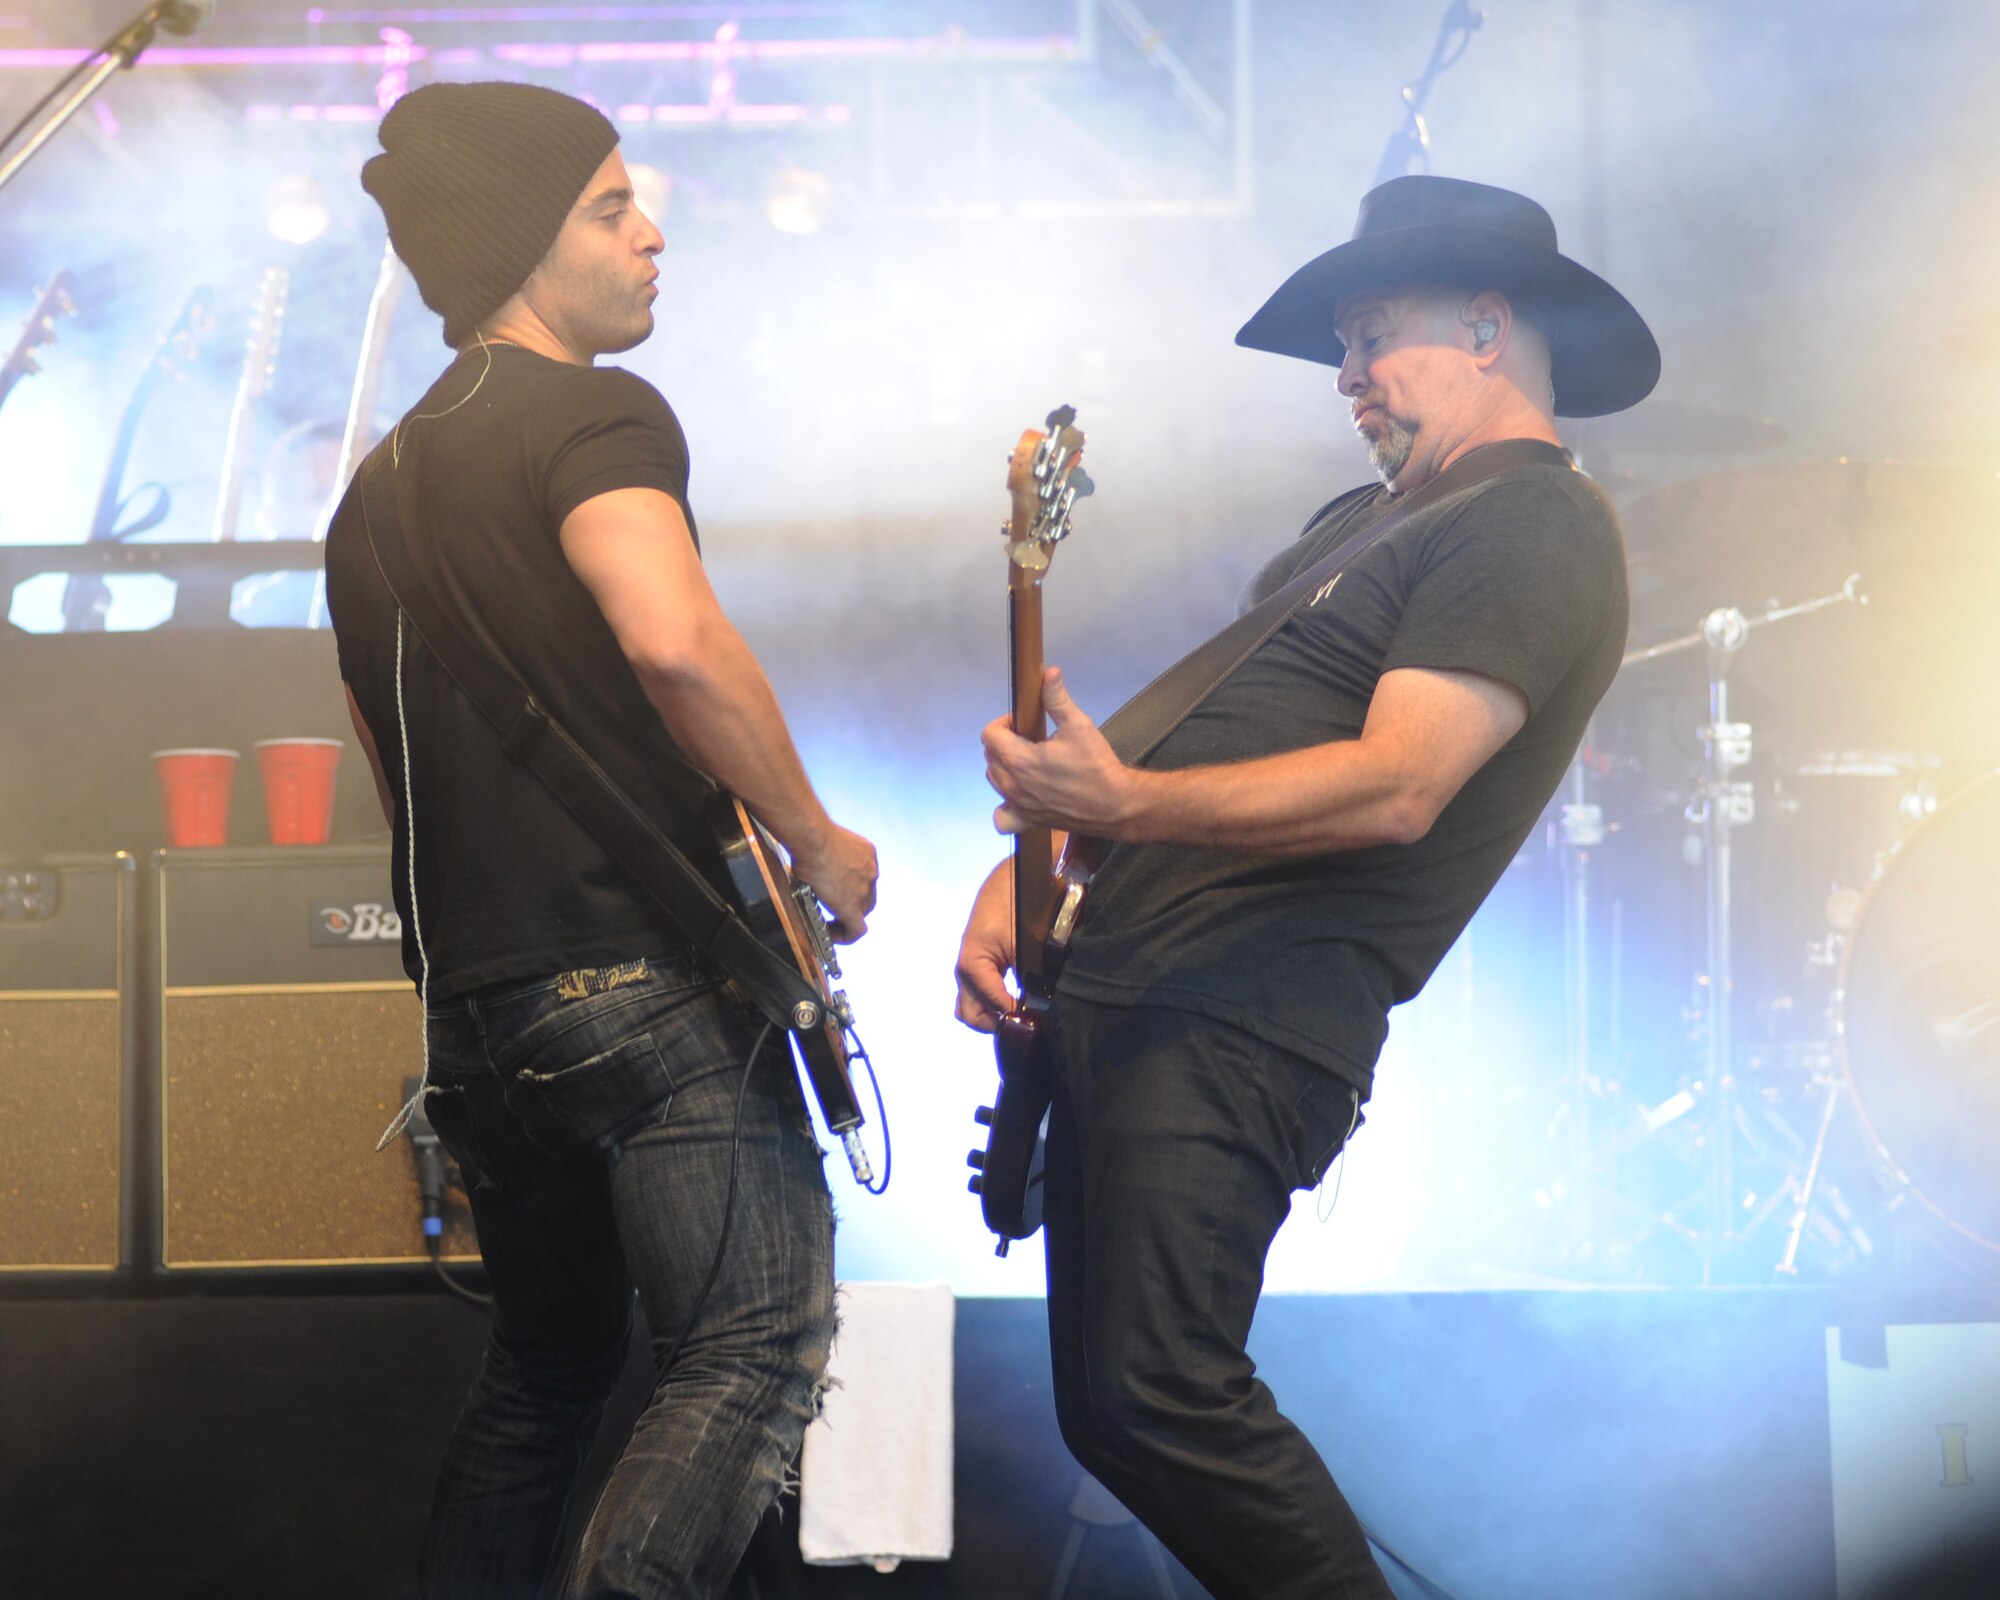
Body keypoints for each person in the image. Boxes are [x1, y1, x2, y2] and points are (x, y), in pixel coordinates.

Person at [953, 175, 1659, 1598]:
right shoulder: (1363, 521)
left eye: (1368, 336)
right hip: (1142, 992)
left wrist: (1124, 803)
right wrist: (1039, 867)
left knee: (1161, 1391)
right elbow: (1230, 730)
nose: (1343, 378)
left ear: (1484, 324)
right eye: (1339, 345)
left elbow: (1400, 783)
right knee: (1113, 1406)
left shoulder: (1534, 525)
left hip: (1241, 1020)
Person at [322, 82, 877, 1599]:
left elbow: (388, 760)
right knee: (750, 1350)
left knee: (546, 1386)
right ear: (520, 247)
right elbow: (677, 644)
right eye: (610, 207)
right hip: (637, 989)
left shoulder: (366, 500)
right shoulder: (595, 414)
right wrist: (814, 840)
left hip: (479, 1019)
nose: (653, 231)